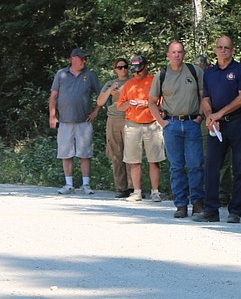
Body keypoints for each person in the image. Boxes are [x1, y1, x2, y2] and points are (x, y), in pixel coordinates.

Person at [194, 36, 241, 223]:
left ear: (233, 50)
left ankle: (235, 210)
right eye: (220, 47)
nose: (223, 50)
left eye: (227, 47)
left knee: (240, 166)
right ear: (215, 49)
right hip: (217, 126)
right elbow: (205, 98)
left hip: (239, 122)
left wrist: (218, 114)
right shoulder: (209, 73)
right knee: (211, 165)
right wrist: (211, 116)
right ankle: (211, 210)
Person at [148, 41, 204, 217]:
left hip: (191, 123)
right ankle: (181, 204)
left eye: (180, 52)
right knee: (176, 167)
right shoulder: (162, 74)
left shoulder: (195, 71)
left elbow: (204, 96)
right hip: (171, 125)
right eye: (173, 52)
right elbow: (151, 101)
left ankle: (197, 203)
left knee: (196, 165)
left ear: (184, 54)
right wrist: (162, 122)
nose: (177, 55)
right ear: (168, 55)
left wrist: (200, 117)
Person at [50, 47, 101, 194]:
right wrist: (52, 116)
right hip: (65, 121)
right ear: (73, 59)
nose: (84, 61)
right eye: (82, 58)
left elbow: (102, 94)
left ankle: (86, 185)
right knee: (66, 152)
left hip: (84, 121)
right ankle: (69, 184)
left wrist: (96, 111)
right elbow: (53, 96)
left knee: (85, 153)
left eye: (85, 59)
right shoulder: (61, 74)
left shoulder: (90, 75)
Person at [118, 55, 165, 202]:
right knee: (134, 160)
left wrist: (147, 104)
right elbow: (120, 105)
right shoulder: (128, 84)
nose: (136, 73)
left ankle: (155, 192)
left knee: (154, 160)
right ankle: (137, 192)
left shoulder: (154, 81)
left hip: (152, 123)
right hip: (132, 124)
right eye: (134, 71)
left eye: (139, 70)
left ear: (146, 67)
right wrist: (130, 104)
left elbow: (163, 103)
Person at [97, 57, 133, 198]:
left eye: (125, 67)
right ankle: (121, 187)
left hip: (129, 118)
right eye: (120, 67)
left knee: (130, 154)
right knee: (116, 154)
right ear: (115, 69)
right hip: (113, 119)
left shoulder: (132, 82)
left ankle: (133, 187)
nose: (123, 69)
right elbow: (100, 101)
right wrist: (110, 90)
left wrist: (119, 94)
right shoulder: (110, 83)